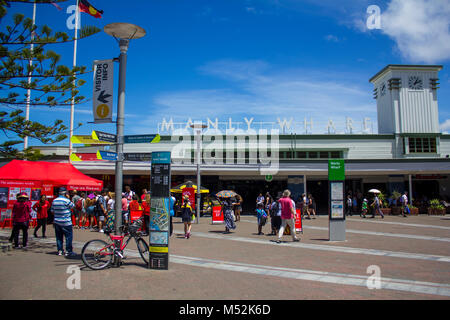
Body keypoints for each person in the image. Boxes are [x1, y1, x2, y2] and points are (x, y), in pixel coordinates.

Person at [51, 189, 76, 257]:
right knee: (68, 237)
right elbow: (73, 206)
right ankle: (68, 251)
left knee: (59, 237)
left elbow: (52, 211)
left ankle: (60, 250)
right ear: (65, 194)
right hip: (66, 222)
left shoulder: (54, 200)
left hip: (57, 221)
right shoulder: (66, 200)